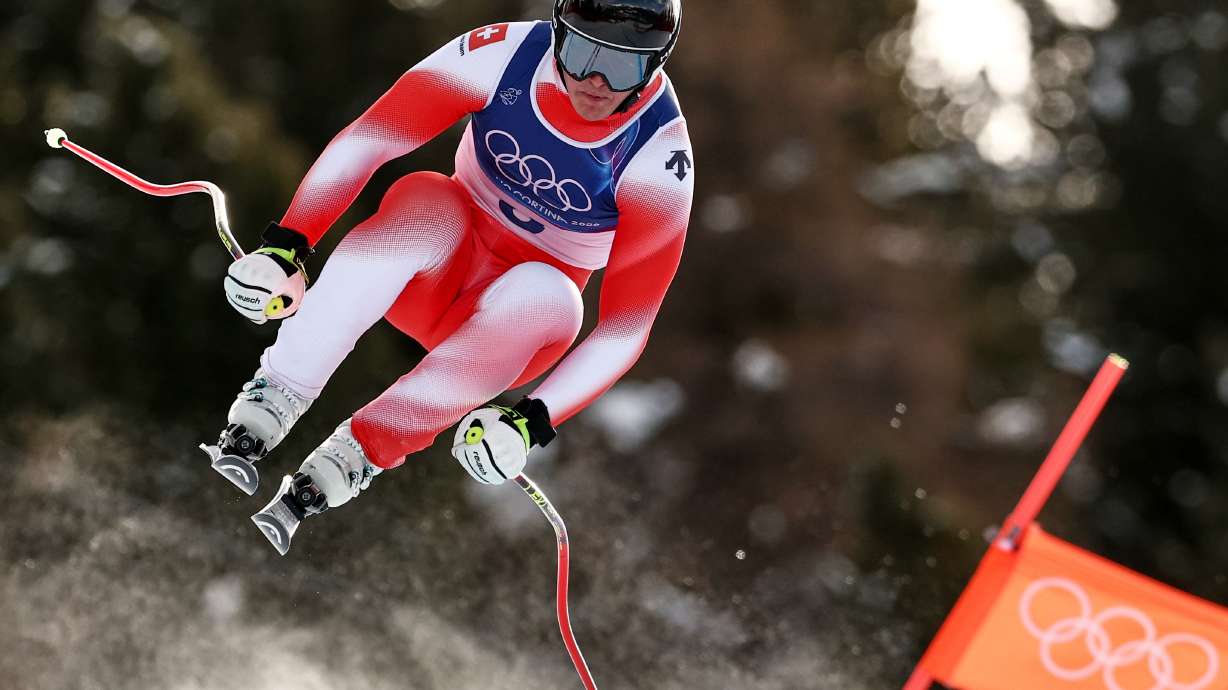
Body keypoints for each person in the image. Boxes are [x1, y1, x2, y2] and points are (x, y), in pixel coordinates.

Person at [201, 0, 694, 555]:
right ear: (557, 31)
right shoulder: (507, 54)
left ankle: (358, 453)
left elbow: (627, 326)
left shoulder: (658, 154)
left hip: (503, 330)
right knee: (426, 200)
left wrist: (531, 420)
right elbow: (375, 136)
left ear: (657, 63)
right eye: (581, 53)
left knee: (552, 299)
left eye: (624, 65)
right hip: (434, 268)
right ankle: (277, 394)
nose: (596, 81)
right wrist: (286, 245)